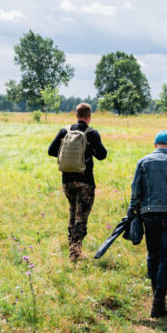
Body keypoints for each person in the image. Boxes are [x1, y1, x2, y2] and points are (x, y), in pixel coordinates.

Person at [128, 130, 167, 318]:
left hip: (149, 213)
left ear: (155, 144)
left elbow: (136, 188)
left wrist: (133, 209)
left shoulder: (143, 162)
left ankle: (157, 295)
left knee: (153, 254)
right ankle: (159, 301)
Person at [47, 103, 108, 261]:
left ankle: (72, 247)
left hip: (67, 181)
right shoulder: (91, 133)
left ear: (76, 115)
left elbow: (51, 151)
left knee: (73, 214)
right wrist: (90, 150)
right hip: (85, 182)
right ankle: (75, 254)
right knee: (81, 218)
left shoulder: (64, 131)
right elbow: (102, 155)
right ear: (89, 116)